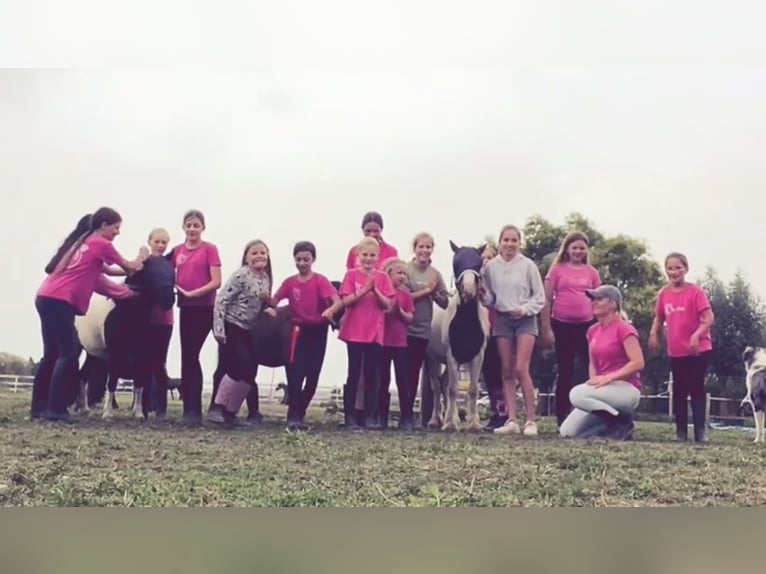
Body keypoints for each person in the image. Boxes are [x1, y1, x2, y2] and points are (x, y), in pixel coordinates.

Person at [32, 208, 147, 422]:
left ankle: (38, 406)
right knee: (66, 355)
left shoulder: (82, 247)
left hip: (45, 297)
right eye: (116, 227)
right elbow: (129, 266)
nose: (117, 233)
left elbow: (104, 280)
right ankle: (56, 408)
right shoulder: (101, 243)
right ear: (103, 225)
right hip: (61, 302)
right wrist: (142, 255)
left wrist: (129, 292)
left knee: (51, 355)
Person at [481, 224, 545, 437]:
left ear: (519, 242)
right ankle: (511, 419)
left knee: (521, 368)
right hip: (503, 320)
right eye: (506, 240)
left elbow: (540, 297)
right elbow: (491, 298)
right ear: (500, 242)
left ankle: (530, 420)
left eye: (513, 240)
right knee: (506, 370)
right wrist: (483, 295)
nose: (509, 244)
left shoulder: (528, 265)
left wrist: (525, 309)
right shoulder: (491, 267)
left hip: (525, 320)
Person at [326, 236, 396, 429]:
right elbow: (346, 301)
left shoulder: (382, 277)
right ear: (358, 255)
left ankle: (369, 416)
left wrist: (376, 291)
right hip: (354, 331)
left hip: (375, 332)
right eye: (365, 255)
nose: (368, 259)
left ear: (378, 257)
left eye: (372, 255)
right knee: (354, 374)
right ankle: (350, 416)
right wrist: (364, 290)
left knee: (372, 374)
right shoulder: (351, 275)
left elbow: (388, 305)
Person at [559, 285, 644, 440]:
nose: (594, 302)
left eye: (599, 299)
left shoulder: (624, 329)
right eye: (592, 299)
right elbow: (593, 363)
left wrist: (609, 378)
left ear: (613, 304)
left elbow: (638, 363)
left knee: (576, 394)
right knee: (567, 431)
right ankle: (611, 426)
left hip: (626, 389)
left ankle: (621, 421)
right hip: (605, 390)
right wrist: (593, 382)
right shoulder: (592, 330)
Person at [271, 241, 340, 431]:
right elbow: (274, 300)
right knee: (295, 374)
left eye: (306, 259)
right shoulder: (290, 282)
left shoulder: (320, 281)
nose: (302, 263)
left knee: (313, 377)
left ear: (313, 260)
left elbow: (336, 301)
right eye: (299, 259)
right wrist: (269, 306)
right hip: (297, 332)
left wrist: (331, 311)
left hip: (318, 331)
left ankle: (299, 412)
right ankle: (293, 417)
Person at [649, 252, 714, 443]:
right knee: (679, 390)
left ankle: (700, 432)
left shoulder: (695, 292)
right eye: (670, 268)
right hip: (676, 349)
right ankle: (681, 432)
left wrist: (696, 335)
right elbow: (659, 316)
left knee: (696, 387)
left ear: (685, 269)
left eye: (678, 267)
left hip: (697, 348)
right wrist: (654, 333)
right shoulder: (664, 294)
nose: (674, 272)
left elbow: (709, 318)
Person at [207, 239, 272, 428]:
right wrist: (219, 328)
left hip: (248, 329)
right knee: (236, 367)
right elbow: (222, 300)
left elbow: (259, 302)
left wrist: (267, 309)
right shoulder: (241, 275)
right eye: (254, 253)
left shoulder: (265, 279)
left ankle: (231, 413)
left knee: (250, 371)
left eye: (262, 253)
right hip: (231, 325)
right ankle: (217, 407)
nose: (259, 256)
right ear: (246, 257)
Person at [541, 231, 602, 427]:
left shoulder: (591, 272)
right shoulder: (557, 270)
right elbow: (546, 300)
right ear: (567, 249)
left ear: (586, 251)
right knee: (565, 369)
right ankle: (562, 414)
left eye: (581, 248)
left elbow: (600, 300)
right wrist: (547, 329)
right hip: (562, 324)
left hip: (587, 326)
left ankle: (589, 412)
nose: (578, 251)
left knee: (589, 369)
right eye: (574, 247)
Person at [171, 209, 222, 425]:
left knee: (197, 354)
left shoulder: (210, 249)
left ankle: (214, 407)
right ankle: (190, 410)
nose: (192, 229)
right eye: (189, 225)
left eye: (196, 225)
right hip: (186, 308)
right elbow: (164, 272)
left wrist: (194, 293)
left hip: (206, 308)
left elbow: (216, 281)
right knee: (188, 357)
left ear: (203, 228)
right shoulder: (176, 251)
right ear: (183, 227)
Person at [404, 232, 449, 427]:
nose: (424, 250)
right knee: (405, 373)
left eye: (428, 247)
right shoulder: (405, 270)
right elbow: (404, 298)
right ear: (414, 248)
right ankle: (404, 414)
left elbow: (445, 302)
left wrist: (436, 293)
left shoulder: (436, 274)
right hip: (404, 329)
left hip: (424, 330)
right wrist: (427, 291)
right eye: (421, 246)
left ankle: (415, 416)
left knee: (419, 375)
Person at [379, 258, 415, 429]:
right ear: (389, 274)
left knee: (403, 380)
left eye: (404, 274)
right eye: (399, 273)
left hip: (400, 343)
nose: (402, 277)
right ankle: (381, 416)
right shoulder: (382, 293)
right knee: (382, 379)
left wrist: (399, 312)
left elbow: (410, 318)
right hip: (382, 342)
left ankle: (407, 417)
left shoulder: (405, 295)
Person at [144, 228, 175, 419]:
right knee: (145, 361)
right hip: (147, 319)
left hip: (165, 320)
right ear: (150, 241)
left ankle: (161, 406)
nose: (161, 245)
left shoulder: (168, 264)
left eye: (164, 242)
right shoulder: (144, 262)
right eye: (157, 241)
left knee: (159, 362)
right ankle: (145, 403)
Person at [479, 244, 506, 431]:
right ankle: (496, 413)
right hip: (483, 333)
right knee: (489, 374)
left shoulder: (499, 282)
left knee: (501, 373)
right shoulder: (475, 285)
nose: (486, 262)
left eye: (489, 258)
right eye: (483, 259)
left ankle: (504, 413)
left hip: (499, 329)